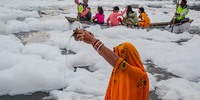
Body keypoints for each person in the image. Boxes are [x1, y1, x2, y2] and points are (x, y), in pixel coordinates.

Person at [75, 29, 149, 100]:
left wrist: (93, 41)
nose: (117, 57)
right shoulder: (123, 73)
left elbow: (116, 61)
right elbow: (110, 57)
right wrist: (91, 40)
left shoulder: (138, 75)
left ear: (128, 57)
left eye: (120, 56)